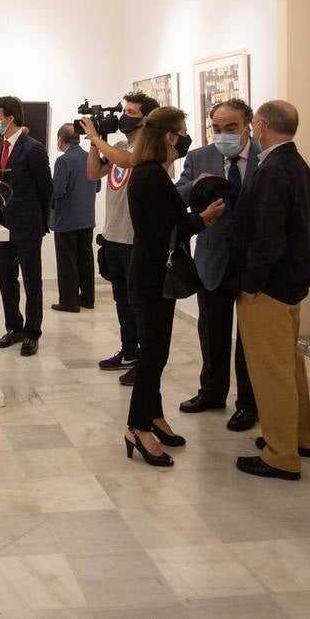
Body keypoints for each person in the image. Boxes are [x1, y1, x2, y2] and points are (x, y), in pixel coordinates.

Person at [232, 100, 310, 480]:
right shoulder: (298, 165)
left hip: (270, 287)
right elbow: (306, 218)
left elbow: (268, 237)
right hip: (293, 282)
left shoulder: (274, 169)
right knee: (289, 365)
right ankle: (298, 436)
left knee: (271, 370)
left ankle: (281, 453)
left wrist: (251, 283)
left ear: (259, 126)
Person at [122, 106, 225, 467]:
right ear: (168, 135)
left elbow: (166, 219)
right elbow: (168, 230)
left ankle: (153, 416)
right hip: (153, 277)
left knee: (157, 350)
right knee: (153, 354)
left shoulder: (153, 173)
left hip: (152, 275)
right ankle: (136, 425)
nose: (185, 137)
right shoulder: (150, 175)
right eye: (181, 131)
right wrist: (204, 219)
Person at [175, 98, 263, 432]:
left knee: (250, 338)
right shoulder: (199, 157)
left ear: (248, 126)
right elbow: (178, 193)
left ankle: (249, 404)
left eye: (231, 128)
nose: (223, 134)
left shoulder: (263, 157)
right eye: (216, 128)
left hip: (253, 262)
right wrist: (196, 186)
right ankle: (211, 393)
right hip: (212, 258)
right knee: (211, 331)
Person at [82, 92, 158, 383]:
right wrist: (94, 142)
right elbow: (93, 174)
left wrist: (98, 138)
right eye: (124, 110)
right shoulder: (119, 144)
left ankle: (143, 358)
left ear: (147, 119)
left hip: (135, 238)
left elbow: (127, 162)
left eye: (132, 112)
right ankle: (128, 350)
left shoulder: (151, 147)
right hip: (112, 235)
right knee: (121, 300)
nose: (124, 115)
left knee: (138, 303)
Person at [0, 96, 54, 356]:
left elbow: (45, 188)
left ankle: (32, 332)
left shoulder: (33, 148)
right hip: (1, 222)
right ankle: (14, 327)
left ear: (10, 118)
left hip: (27, 223)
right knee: (6, 278)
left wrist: (40, 221)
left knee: (31, 280)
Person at [50, 123, 100, 313]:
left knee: (67, 261)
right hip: (87, 217)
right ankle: (88, 299)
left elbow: (58, 191)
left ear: (61, 140)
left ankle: (69, 301)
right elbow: (97, 187)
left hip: (67, 219)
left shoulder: (63, 161)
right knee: (85, 259)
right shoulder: (90, 157)